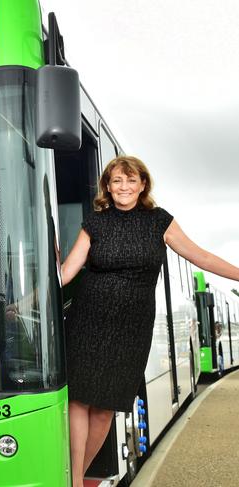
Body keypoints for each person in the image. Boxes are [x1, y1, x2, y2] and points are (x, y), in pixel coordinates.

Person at [60, 155, 239, 487]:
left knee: (104, 407)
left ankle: (78, 474)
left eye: (130, 180)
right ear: (107, 187)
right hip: (88, 320)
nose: (124, 187)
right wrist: (27, 298)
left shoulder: (160, 221)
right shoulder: (94, 223)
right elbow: (66, 273)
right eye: (116, 181)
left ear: (142, 185)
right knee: (79, 399)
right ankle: (72, 481)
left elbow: (200, 255)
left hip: (131, 327)